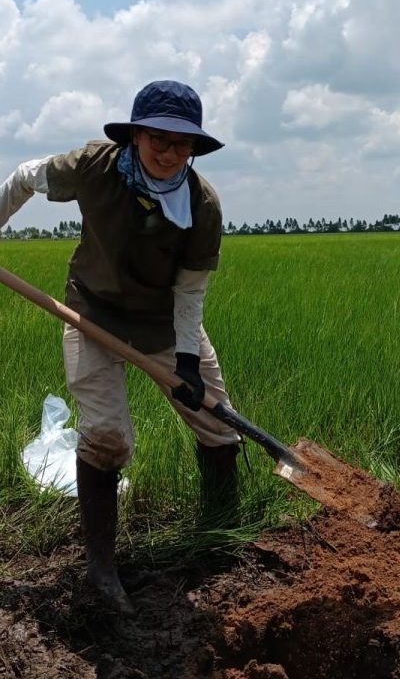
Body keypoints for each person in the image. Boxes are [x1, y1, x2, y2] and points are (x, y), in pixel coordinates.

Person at [0, 80, 240, 615]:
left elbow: (189, 291)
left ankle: (221, 539)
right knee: (107, 437)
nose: (170, 153)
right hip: (92, 313)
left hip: (164, 323)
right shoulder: (92, 166)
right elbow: (23, 177)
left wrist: (185, 360)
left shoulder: (201, 205)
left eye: (183, 144)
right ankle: (102, 569)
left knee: (219, 426)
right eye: (159, 139)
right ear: (135, 135)